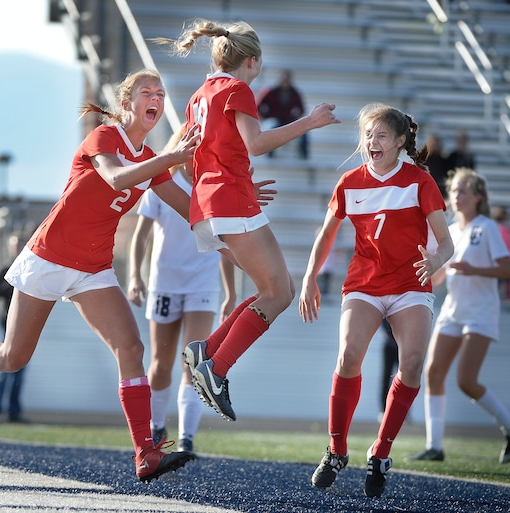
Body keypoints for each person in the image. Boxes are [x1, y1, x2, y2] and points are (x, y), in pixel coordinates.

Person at [0, 69, 200, 482]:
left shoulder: (152, 159)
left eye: (160, 91)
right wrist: (173, 159)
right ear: (127, 104)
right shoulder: (105, 138)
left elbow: (188, 208)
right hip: (50, 257)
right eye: (147, 91)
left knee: (130, 346)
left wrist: (236, 208)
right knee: (12, 357)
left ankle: (145, 453)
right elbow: (115, 177)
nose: (155, 97)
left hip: (94, 267)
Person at [156, 19, 340, 422]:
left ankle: (207, 352)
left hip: (208, 206)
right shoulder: (238, 89)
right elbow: (255, 144)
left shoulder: (199, 95)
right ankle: (216, 369)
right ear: (252, 61)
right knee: (279, 294)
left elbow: (189, 166)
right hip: (229, 202)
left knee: (271, 290)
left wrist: (231, 185)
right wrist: (309, 122)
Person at [299, 103, 454, 498]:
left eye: (381, 135)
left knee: (414, 363)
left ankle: (380, 451)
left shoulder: (420, 181)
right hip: (366, 282)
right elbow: (326, 235)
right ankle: (336, 450)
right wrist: (308, 280)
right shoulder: (350, 182)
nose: (372, 142)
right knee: (349, 355)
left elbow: (447, 242)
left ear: (400, 141)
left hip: (410, 284)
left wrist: (436, 258)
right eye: (368, 135)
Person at [128, 129, 237, 453]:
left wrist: (230, 293)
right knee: (161, 365)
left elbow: (223, 245)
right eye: (192, 148)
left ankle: (187, 440)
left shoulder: (215, 190)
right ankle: (157, 427)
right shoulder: (160, 185)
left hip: (201, 286)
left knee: (193, 361)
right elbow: (140, 236)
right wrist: (135, 275)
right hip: (165, 284)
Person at [410, 168, 510, 464]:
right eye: (455, 190)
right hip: (453, 311)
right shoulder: (450, 230)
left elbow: (508, 270)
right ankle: (434, 446)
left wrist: (473, 269)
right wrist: (429, 266)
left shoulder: (487, 227)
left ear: (477, 197)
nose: (457, 195)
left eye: (463, 190)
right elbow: (437, 276)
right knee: (433, 372)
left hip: (481, 312)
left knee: (465, 380)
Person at [0, 232, 28, 424]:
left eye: (21, 243)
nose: (18, 247)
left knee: (20, 372)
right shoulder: (4, 269)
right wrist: (14, 282)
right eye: (15, 244)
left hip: (25, 326)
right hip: (5, 325)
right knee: (2, 371)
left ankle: (14, 412)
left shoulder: (29, 268)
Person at [257, 69, 309, 159]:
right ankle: (270, 152)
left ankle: (304, 155)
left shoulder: (295, 93)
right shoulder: (271, 92)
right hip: (274, 119)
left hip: (288, 120)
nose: (285, 82)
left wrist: (296, 118)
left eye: (287, 80)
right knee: (271, 127)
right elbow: (258, 105)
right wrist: (263, 117)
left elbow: (301, 109)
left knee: (304, 131)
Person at [492, 205, 510, 303]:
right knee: (503, 280)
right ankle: (507, 298)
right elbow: (507, 246)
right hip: (502, 260)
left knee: (504, 281)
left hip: (500, 260)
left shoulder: (498, 228)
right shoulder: (501, 229)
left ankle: (506, 297)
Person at [378, 319, 399, 422]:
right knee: (386, 378)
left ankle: (403, 413)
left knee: (406, 378)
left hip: (403, 344)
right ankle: (383, 411)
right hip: (390, 344)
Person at [425, 133, 449, 198]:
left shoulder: (443, 160)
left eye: (437, 144)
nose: (435, 146)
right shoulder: (425, 160)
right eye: (434, 144)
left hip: (440, 190)